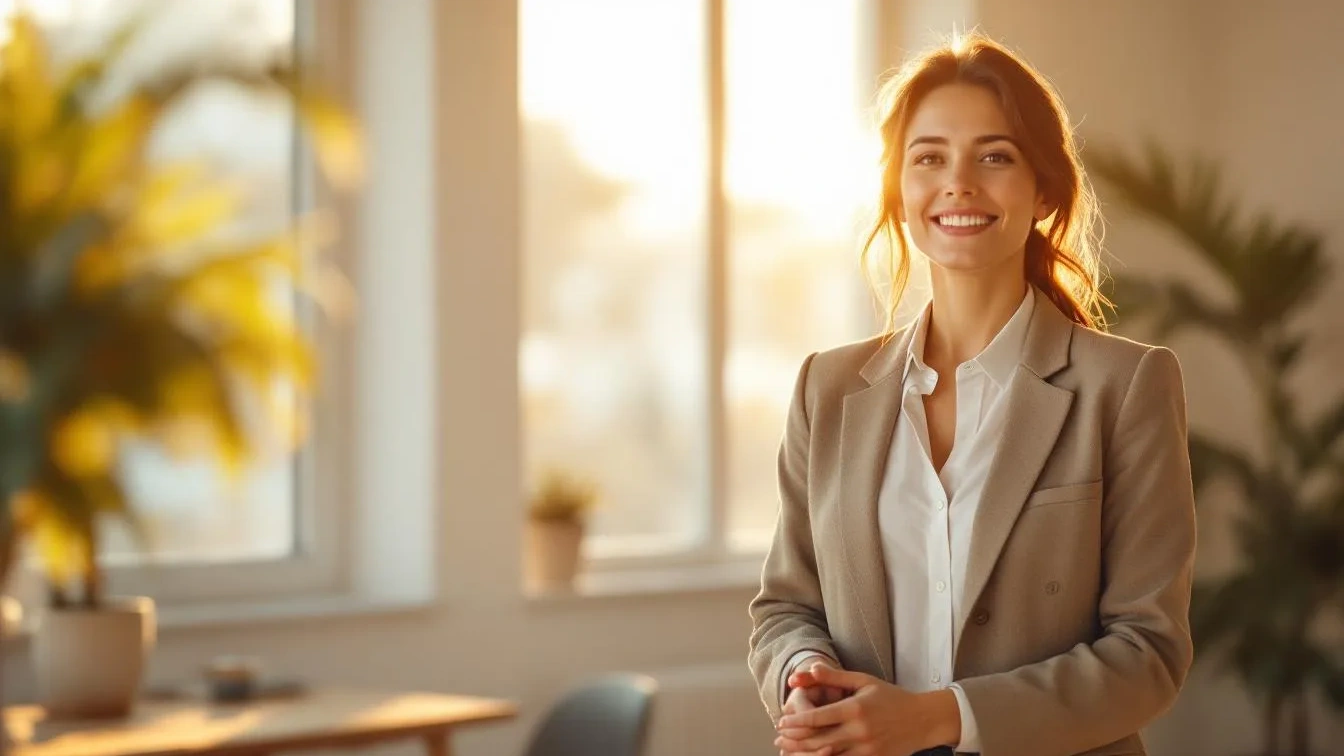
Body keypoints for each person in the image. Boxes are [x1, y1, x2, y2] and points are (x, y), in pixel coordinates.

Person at [747, 31, 1196, 756]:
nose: (959, 182)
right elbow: (786, 608)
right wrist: (805, 674)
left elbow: (1149, 654)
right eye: (929, 157)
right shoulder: (825, 390)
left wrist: (938, 717)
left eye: (995, 156)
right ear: (898, 187)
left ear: (1043, 188)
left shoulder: (1127, 385)